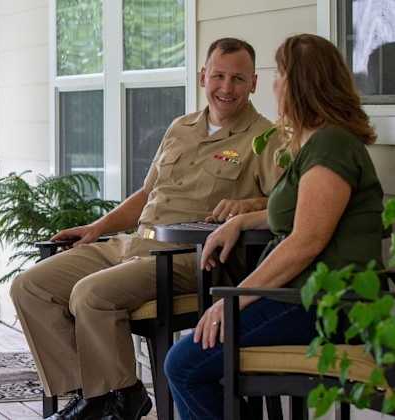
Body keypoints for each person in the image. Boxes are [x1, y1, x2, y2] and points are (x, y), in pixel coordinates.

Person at [10, 37, 284, 420]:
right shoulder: (181, 127)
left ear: (254, 83)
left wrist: (248, 205)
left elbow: (286, 205)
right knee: (31, 286)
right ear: (204, 76)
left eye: (238, 79)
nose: (226, 87)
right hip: (133, 244)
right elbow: (146, 193)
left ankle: (115, 398)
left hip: (191, 259)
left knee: (91, 294)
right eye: (218, 76)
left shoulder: (265, 139)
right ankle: (95, 395)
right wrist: (97, 228)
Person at [164, 33, 384, 420]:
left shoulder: (332, 145)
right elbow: (302, 212)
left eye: (281, 74)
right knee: (197, 362)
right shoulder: (315, 143)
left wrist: (236, 298)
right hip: (299, 296)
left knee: (184, 364)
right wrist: (242, 221)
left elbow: (306, 240)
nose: (276, 83)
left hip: (321, 303)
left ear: (300, 84)